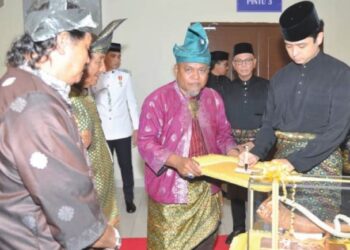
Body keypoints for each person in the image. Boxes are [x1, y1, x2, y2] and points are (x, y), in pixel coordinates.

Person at [0, 0, 120, 249]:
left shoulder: (17, 81)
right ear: (63, 41)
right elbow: (67, 204)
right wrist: (111, 237)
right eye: (87, 49)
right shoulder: (35, 107)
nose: (88, 60)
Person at [239, 0, 350, 230]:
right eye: (289, 46)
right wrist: (256, 152)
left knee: (315, 231)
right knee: (279, 229)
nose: (294, 53)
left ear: (319, 37)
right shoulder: (280, 78)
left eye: (301, 46)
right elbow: (269, 124)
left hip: (322, 166)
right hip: (281, 167)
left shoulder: (341, 74)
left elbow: (337, 131)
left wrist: (294, 161)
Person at [138, 22, 238, 250]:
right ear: (176, 70)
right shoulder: (157, 100)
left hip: (208, 188)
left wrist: (232, 153)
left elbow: (223, 134)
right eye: (189, 70)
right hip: (171, 190)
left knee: (206, 241)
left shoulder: (213, 98)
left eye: (202, 70)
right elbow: (145, 142)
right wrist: (177, 161)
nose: (196, 77)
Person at [70, 19, 125, 228]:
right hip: (85, 212)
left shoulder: (85, 95)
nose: (103, 68)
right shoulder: (66, 103)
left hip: (102, 201)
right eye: (99, 60)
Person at [225, 42, 269, 244]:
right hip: (233, 147)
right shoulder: (226, 89)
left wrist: (253, 144)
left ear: (254, 62)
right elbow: (221, 121)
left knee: (259, 190)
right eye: (239, 61)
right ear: (233, 64)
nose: (243, 65)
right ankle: (239, 229)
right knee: (236, 190)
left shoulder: (267, 86)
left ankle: (259, 230)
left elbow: (272, 119)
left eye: (247, 61)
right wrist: (233, 146)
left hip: (259, 146)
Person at [92, 42, 139, 213]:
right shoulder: (95, 77)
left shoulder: (124, 77)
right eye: (114, 56)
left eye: (119, 57)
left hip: (123, 130)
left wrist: (136, 127)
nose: (117, 60)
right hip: (103, 131)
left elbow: (131, 102)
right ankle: (105, 202)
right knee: (105, 170)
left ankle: (129, 199)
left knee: (126, 166)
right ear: (105, 56)